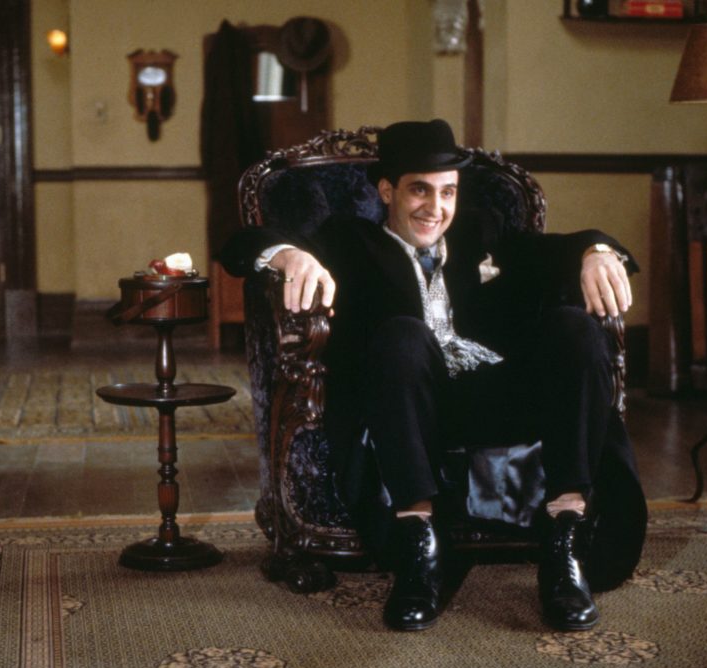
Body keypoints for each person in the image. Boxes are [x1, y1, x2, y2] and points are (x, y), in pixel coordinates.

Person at [221, 119, 647, 633]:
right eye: (419, 189)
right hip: (407, 406)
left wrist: (596, 252)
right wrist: (289, 255)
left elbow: (553, 249)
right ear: (387, 191)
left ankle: (563, 540)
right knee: (402, 335)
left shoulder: (480, 232)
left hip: (490, 395)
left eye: (447, 192)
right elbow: (242, 244)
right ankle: (417, 548)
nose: (435, 207)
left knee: (575, 329)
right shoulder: (349, 240)